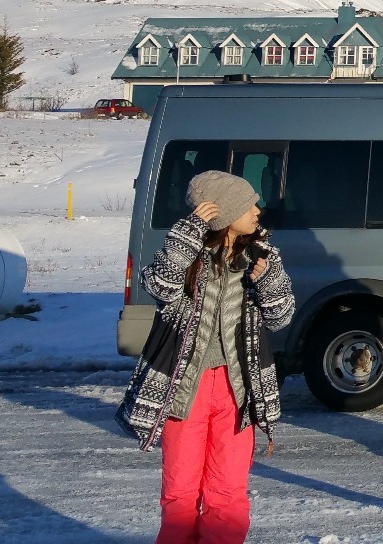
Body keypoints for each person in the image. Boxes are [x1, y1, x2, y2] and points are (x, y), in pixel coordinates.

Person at [118, 170, 295, 544]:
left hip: (238, 390)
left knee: (227, 493)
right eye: (247, 205)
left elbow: (280, 318)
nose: (257, 210)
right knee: (181, 494)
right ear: (224, 211)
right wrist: (187, 232)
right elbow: (159, 285)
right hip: (184, 390)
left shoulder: (261, 255)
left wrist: (267, 280)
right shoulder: (188, 255)